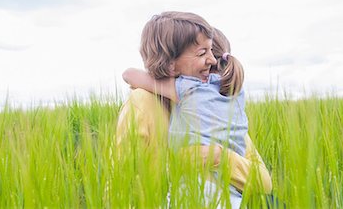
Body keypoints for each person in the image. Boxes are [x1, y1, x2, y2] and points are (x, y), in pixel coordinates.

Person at [116, 11, 272, 207]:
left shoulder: (221, 112)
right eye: (202, 55)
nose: (213, 68)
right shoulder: (145, 102)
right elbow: (119, 180)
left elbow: (264, 183)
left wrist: (217, 156)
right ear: (172, 66)